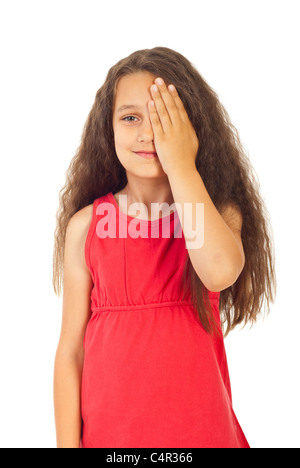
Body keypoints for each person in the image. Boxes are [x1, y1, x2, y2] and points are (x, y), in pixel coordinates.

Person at [53, 47, 276, 448]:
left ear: (191, 129)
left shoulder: (215, 214)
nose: (147, 133)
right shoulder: (86, 227)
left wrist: (181, 164)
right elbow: (71, 352)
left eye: (162, 118)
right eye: (131, 117)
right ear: (109, 129)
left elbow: (220, 269)